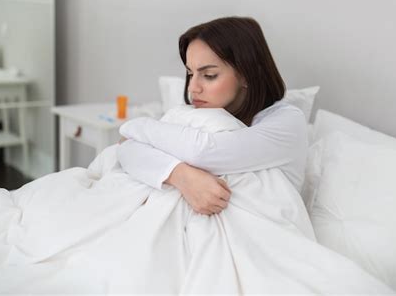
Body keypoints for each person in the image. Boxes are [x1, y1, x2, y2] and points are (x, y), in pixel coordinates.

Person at [117, 16, 308, 216]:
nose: (193, 88)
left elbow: (203, 151)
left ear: (246, 75)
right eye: (190, 74)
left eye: (209, 75)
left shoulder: (287, 123)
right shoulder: (199, 115)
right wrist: (179, 175)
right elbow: (125, 151)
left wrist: (134, 128)